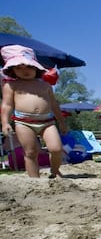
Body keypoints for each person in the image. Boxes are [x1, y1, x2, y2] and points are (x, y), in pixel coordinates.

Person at [0, 45, 67, 178]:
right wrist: (5, 123)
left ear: (36, 66)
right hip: (23, 122)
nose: (24, 70)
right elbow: (7, 105)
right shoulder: (11, 85)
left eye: (28, 66)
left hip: (47, 121)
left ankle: (54, 171)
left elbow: (54, 104)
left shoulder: (45, 85)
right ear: (12, 70)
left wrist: (62, 122)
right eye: (18, 67)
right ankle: (34, 180)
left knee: (56, 149)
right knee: (30, 152)